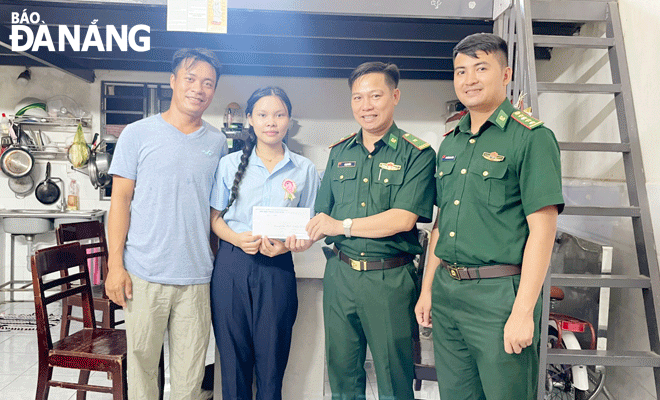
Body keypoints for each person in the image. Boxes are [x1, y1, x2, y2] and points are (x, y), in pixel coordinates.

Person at [415, 33, 564, 400]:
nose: (469, 79)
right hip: (449, 294)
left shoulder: (531, 138)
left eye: (481, 68)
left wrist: (523, 311)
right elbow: (441, 225)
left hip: (499, 298)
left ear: (506, 74)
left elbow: (542, 233)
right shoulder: (451, 142)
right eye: (461, 71)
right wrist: (428, 288)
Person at [307, 62, 436, 400]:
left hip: (389, 280)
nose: (366, 106)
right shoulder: (339, 152)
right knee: (343, 374)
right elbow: (324, 214)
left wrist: (342, 226)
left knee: (394, 378)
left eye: (375, 96)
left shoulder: (417, 154)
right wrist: (298, 234)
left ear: (394, 96)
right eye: (358, 98)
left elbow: (403, 219)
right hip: (341, 274)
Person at [105, 48, 227, 400]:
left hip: (197, 277)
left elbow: (214, 210)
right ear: (173, 81)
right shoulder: (137, 134)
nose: (198, 89)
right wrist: (116, 266)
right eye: (190, 79)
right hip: (143, 274)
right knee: (141, 371)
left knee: (190, 378)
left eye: (208, 83)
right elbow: (120, 202)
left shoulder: (218, 142)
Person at [209, 86, 320, 400]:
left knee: (272, 364)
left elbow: (310, 227)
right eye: (262, 114)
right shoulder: (229, 165)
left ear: (289, 119)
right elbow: (215, 219)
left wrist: (288, 245)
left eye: (279, 114)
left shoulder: (304, 169)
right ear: (250, 120)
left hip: (277, 269)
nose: (271, 122)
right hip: (231, 265)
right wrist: (236, 238)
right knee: (232, 364)